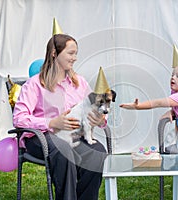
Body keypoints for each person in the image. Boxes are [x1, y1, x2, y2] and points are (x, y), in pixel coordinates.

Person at [13, 34, 108, 199]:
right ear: (54, 53)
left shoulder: (80, 83)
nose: (75, 58)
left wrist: (100, 120)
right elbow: (19, 118)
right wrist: (52, 122)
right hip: (40, 138)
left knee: (97, 151)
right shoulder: (34, 84)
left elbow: (95, 108)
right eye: (70, 53)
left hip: (73, 136)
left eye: (76, 53)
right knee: (63, 149)